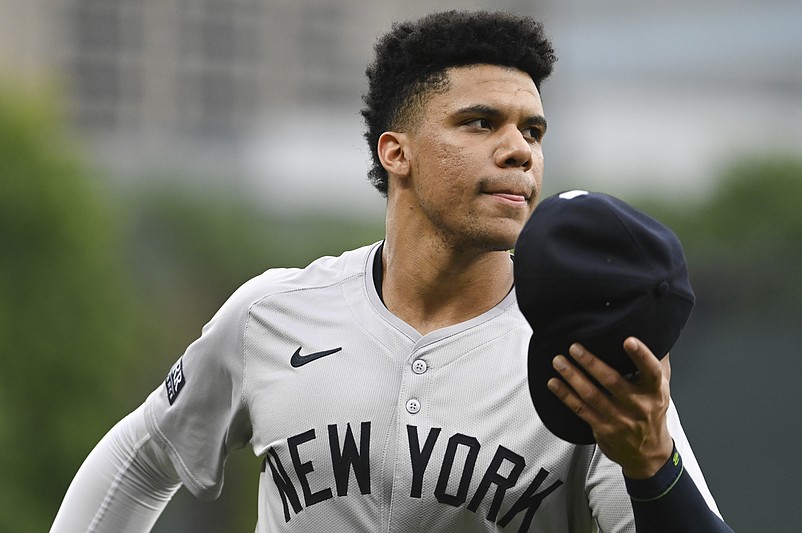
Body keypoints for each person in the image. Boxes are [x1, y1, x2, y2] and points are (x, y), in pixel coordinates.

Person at [51, 10, 732, 532]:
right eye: (480, 121)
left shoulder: (584, 355)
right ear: (396, 151)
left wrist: (652, 462)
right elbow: (142, 457)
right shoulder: (273, 312)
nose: (518, 150)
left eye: (533, 130)